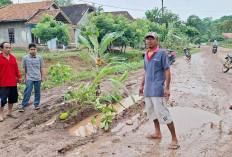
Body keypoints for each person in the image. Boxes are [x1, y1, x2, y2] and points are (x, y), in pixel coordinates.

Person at [139, 32, 179, 149]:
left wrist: (166, 88)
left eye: (152, 39)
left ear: (157, 41)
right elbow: (145, 71)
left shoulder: (162, 53)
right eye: (147, 39)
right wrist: (142, 86)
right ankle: (157, 133)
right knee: (152, 113)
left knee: (163, 114)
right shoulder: (146, 54)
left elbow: (167, 70)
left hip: (158, 90)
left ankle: (174, 139)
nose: (149, 41)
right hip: (148, 90)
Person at [19, 44, 45, 112]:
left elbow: (41, 68)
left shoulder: (40, 58)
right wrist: (25, 78)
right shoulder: (25, 58)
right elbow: (24, 69)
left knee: (37, 91)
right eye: (31, 49)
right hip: (29, 78)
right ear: (29, 50)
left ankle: (36, 105)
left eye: (34, 49)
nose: (33, 51)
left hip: (38, 78)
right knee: (27, 92)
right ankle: (23, 106)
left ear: (36, 50)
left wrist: (42, 77)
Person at [0, 42, 22, 122]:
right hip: (3, 83)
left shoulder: (13, 57)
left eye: (9, 47)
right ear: (2, 49)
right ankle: (1, 114)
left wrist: (19, 77)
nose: (8, 49)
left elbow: (16, 68)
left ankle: (9, 112)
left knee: (12, 98)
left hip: (12, 82)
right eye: (6, 48)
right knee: (2, 100)